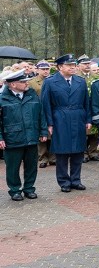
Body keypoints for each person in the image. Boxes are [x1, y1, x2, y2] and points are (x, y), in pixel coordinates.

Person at [40, 54, 91, 192]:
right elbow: (45, 105)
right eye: (69, 65)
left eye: (74, 65)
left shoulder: (80, 81)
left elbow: (87, 102)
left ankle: (76, 180)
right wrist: (49, 124)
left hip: (78, 118)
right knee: (62, 152)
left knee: (78, 151)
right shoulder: (50, 82)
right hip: (59, 119)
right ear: (60, 67)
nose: (73, 68)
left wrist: (88, 120)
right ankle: (64, 182)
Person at [0, 70, 48, 200]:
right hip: (12, 138)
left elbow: (41, 114)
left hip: (31, 136)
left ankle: (29, 189)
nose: (27, 83)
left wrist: (43, 131)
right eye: (23, 82)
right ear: (13, 85)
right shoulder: (2, 99)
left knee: (31, 166)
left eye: (26, 81)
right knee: (13, 167)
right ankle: (15, 190)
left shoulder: (32, 95)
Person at [29, 61, 56, 169]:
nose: (45, 71)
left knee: (53, 134)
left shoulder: (54, 80)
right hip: (39, 110)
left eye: (47, 69)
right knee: (42, 134)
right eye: (43, 69)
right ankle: (43, 158)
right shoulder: (32, 82)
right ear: (37, 70)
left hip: (52, 110)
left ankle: (53, 158)